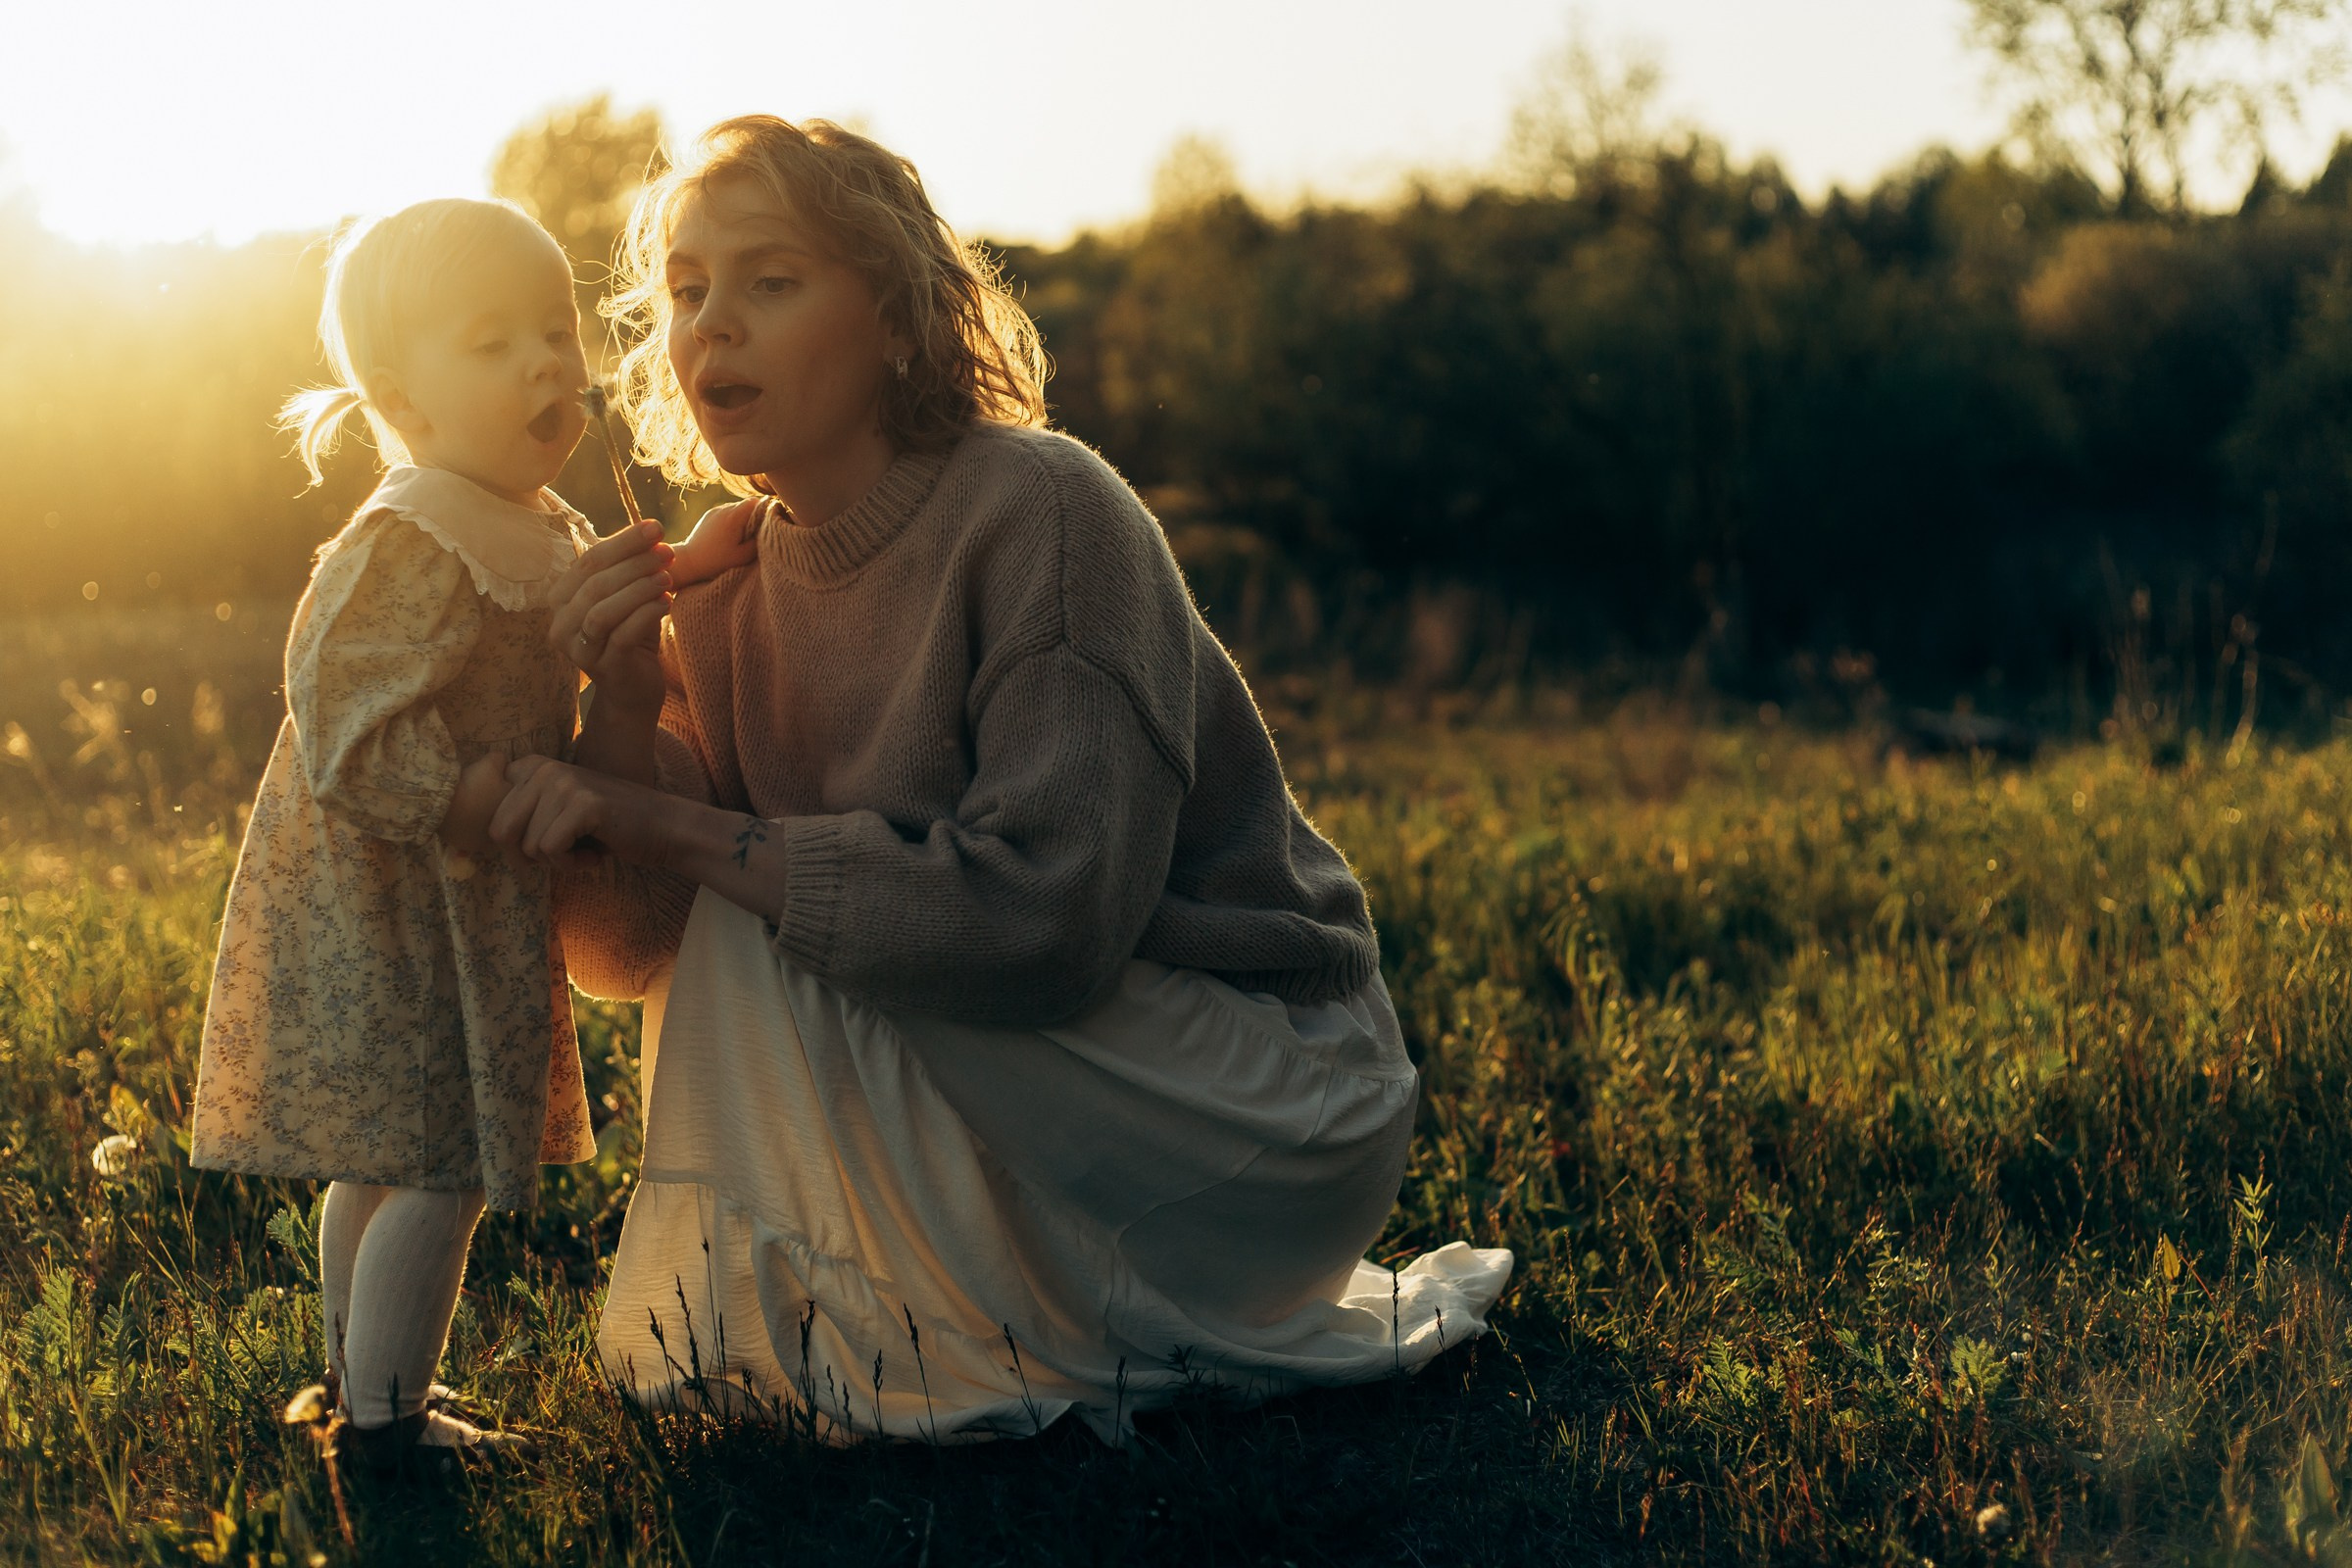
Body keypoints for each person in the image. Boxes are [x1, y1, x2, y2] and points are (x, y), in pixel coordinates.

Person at [492, 116, 1513, 1442]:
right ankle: (916, 1331)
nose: (710, 327)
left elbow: (1047, 926)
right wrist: (624, 711)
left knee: (777, 901)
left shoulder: (1045, 513)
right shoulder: (723, 588)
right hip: (1052, 1095)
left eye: (770, 281)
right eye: (686, 291)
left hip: (1265, 1102)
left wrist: (668, 825)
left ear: (903, 324)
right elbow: (633, 955)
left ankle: (952, 1337)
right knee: (749, 915)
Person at [191, 197, 627, 1460]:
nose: (547, 363)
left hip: (455, 897)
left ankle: (356, 1386)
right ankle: (382, 1424)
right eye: (494, 344)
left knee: (393, 1150)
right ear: (407, 397)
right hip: (407, 899)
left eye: (557, 330)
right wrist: (488, 800)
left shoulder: (529, 527)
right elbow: (348, 727)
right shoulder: (416, 532)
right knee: (439, 1157)